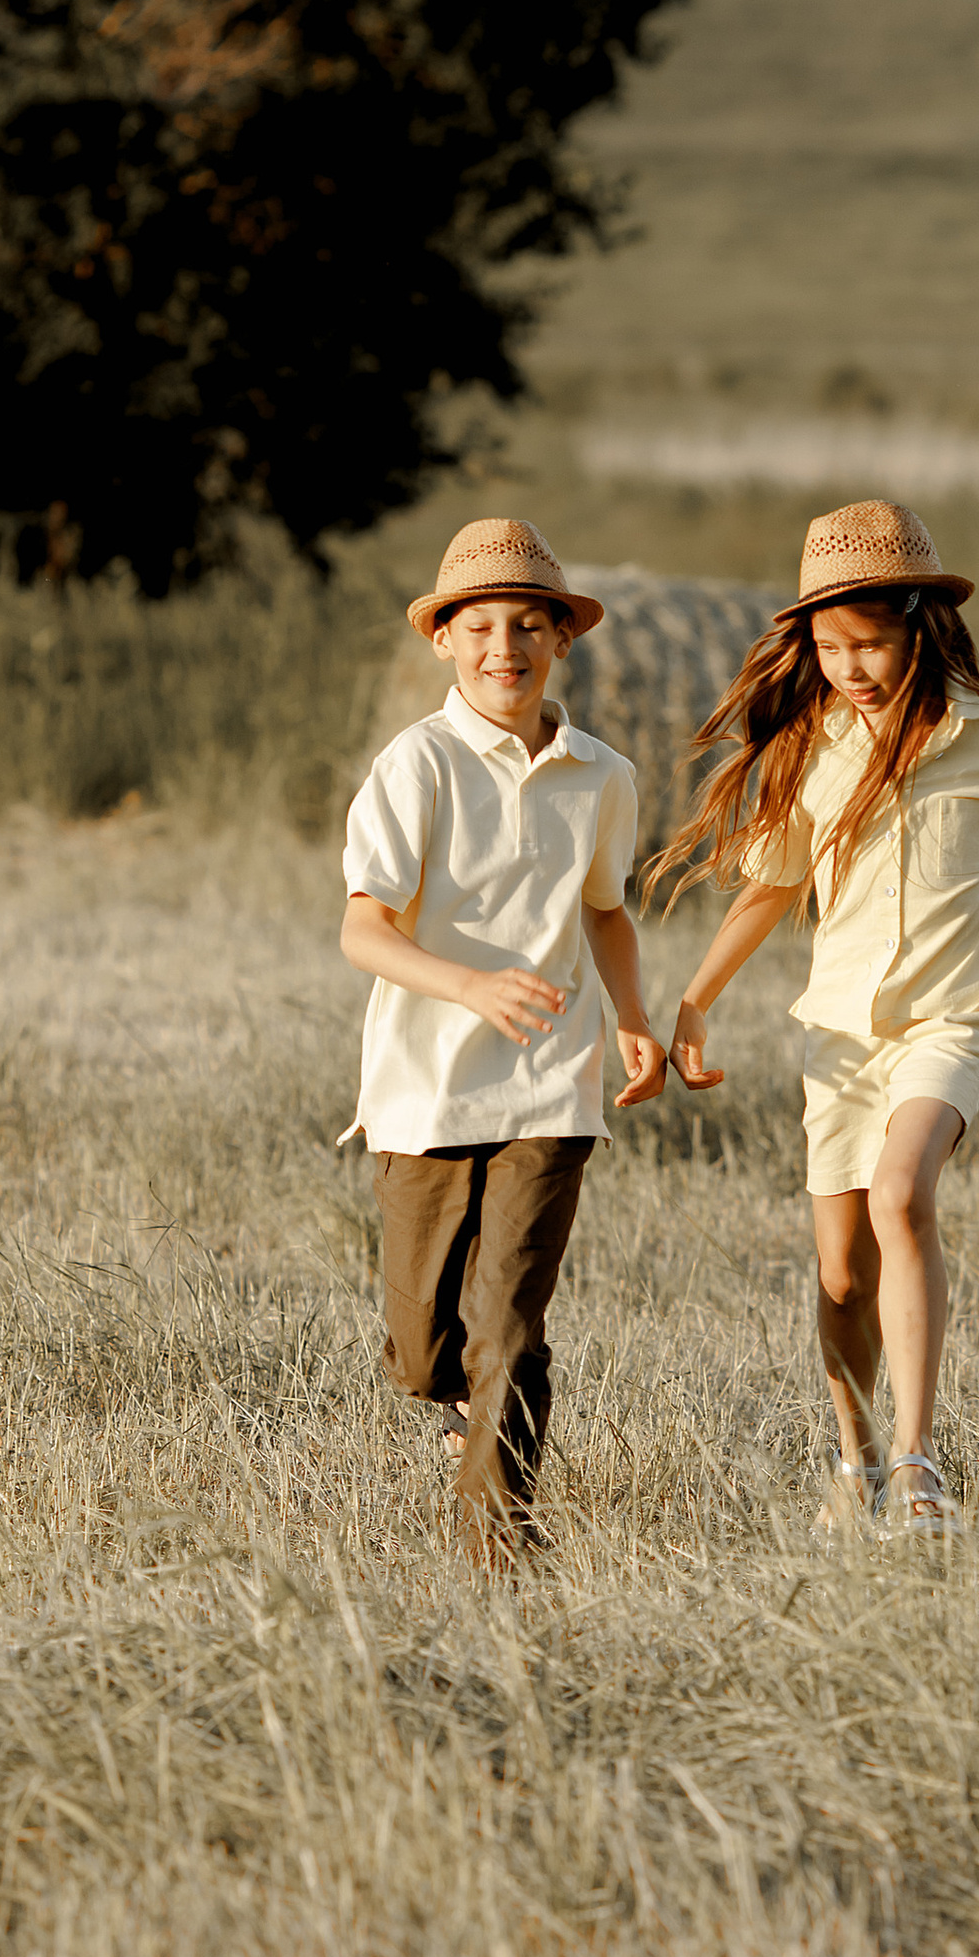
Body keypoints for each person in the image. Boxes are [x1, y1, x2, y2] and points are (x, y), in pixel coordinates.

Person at [657, 500, 979, 1534]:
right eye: (830, 646)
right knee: (842, 1270)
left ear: (921, 630)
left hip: (951, 1021)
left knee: (902, 1196)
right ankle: (852, 1464)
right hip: (839, 1037)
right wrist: (692, 999)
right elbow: (770, 885)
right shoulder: (810, 750)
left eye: (873, 645)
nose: (852, 666)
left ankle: (917, 1463)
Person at [340, 517, 666, 1556]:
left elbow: (607, 910)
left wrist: (633, 1021)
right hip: (423, 1091)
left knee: (511, 1330)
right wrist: (469, 985)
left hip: (549, 1088)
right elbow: (362, 931)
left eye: (529, 624)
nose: (504, 647)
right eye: (479, 625)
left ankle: (498, 1543)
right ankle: (449, 1407)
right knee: (422, 1347)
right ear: (443, 639)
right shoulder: (416, 765)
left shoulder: (602, 775)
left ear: (561, 639)